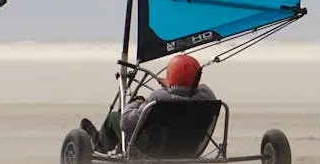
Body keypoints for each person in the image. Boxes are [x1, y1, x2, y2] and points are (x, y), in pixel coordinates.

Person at [80, 54, 217, 153]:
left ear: (171, 75)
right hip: (188, 150)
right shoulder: (207, 96)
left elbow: (126, 123)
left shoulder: (158, 98)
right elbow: (190, 90)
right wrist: (173, 86)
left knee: (114, 118)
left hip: (152, 152)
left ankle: (100, 144)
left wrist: (137, 102)